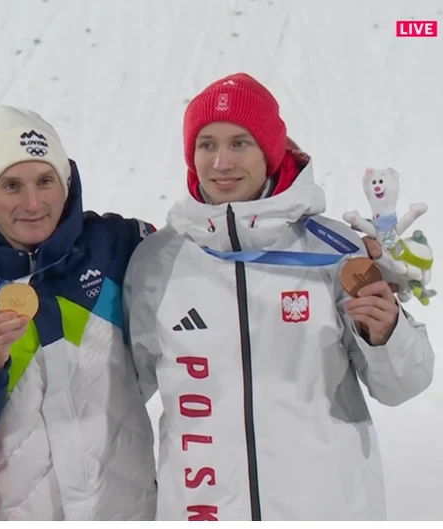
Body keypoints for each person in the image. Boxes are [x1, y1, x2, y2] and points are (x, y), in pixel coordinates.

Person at [122, 73, 435, 521]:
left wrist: (387, 334)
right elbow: (121, 393)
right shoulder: (158, 261)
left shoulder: (333, 251)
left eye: (240, 143)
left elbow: (405, 384)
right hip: (202, 510)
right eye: (207, 144)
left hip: (325, 510)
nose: (221, 162)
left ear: (269, 150)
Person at [0, 106, 158, 520]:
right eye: (11, 186)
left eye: (45, 180)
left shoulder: (114, 244)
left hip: (121, 510)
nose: (33, 203)